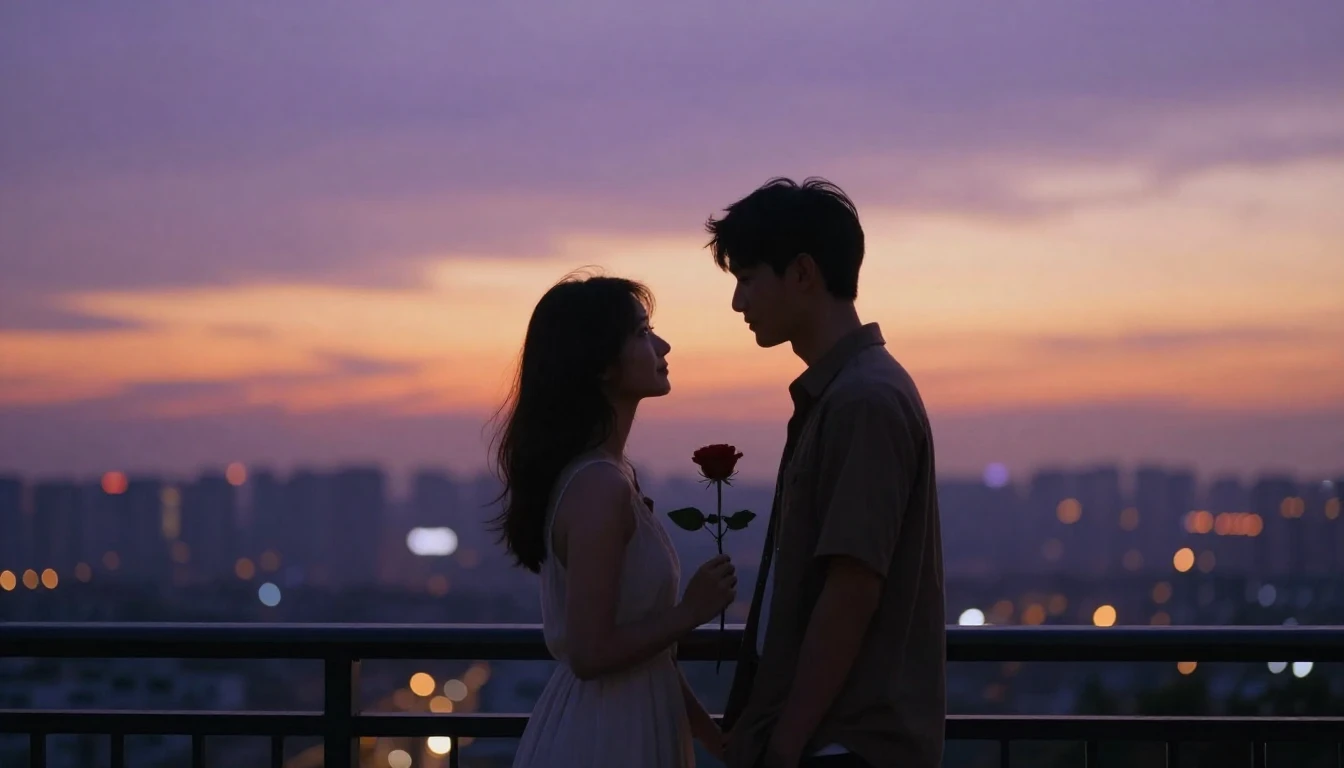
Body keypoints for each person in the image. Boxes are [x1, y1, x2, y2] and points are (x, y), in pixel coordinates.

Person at [710, 179, 947, 768]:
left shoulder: (863, 401)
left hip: (844, 745)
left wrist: (787, 742)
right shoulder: (849, 392)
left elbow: (852, 587)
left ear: (802, 274)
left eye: (746, 278)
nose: (739, 303)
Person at [493, 271, 738, 767]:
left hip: (627, 724)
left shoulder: (610, 475)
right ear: (603, 364)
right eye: (644, 333)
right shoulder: (599, 486)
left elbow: (649, 656)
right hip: (604, 738)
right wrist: (691, 611)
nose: (664, 346)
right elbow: (590, 652)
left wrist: (715, 739)